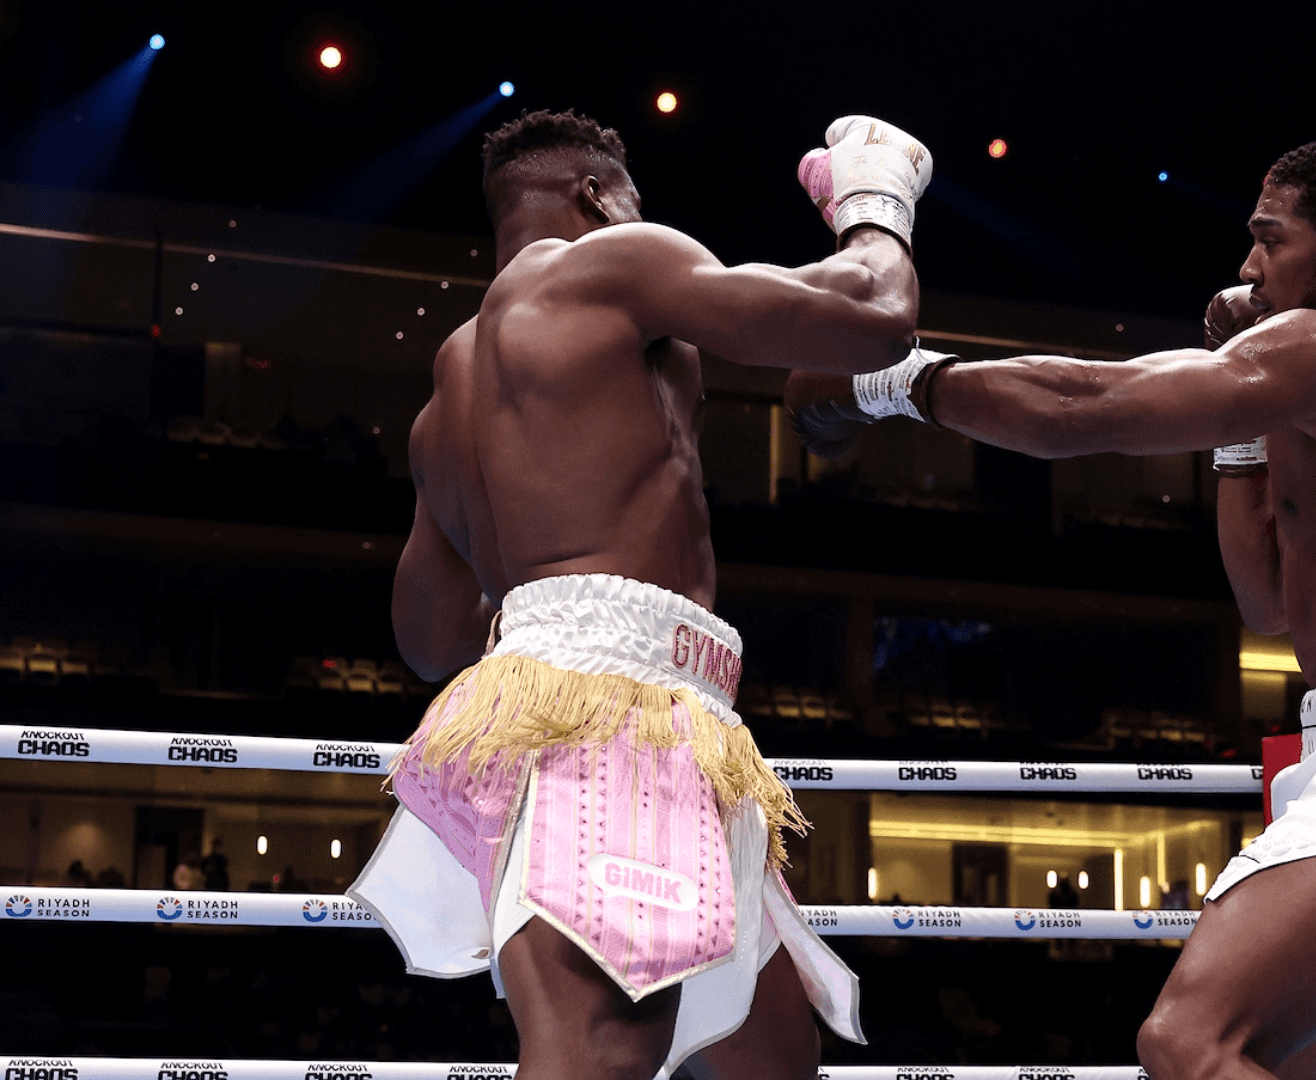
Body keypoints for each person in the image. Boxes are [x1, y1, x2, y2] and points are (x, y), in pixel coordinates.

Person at [787, 138, 1316, 1080]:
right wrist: (1244, 419)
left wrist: (889, 385)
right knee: (1250, 1057)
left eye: (1271, 239)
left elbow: (1085, 405)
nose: (1249, 266)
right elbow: (1264, 601)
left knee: (1186, 1041)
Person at [349, 108, 932, 1080]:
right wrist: (878, 196)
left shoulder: (447, 393)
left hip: (635, 711)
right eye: (635, 203)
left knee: (771, 1057)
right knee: (604, 1050)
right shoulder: (609, 264)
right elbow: (874, 310)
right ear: (596, 196)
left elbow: (432, 638)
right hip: (616, 716)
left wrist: (540, 588)